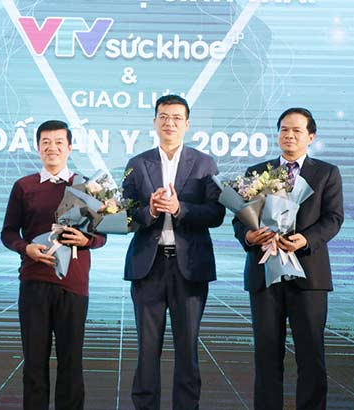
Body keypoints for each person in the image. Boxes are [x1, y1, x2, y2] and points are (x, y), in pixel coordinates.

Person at [232, 107, 344, 410]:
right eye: (284, 129)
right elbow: (239, 220)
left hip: (309, 275)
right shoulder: (257, 172)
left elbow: (333, 218)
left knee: (311, 355)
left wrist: (305, 240)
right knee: (267, 355)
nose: (289, 135)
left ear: (311, 136)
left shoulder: (326, 173)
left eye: (296, 130)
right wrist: (249, 236)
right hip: (264, 275)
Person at [123, 95, 225, 410]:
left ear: (187, 124)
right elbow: (125, 215)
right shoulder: (137, 164)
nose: (170, 123)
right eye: (164, 117)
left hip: (190, 268)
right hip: (148, 267)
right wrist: (150, 211)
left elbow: (216, 214)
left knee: (187, 348)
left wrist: (180, 208)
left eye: (177, 118)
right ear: (155, 122)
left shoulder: (204, 163)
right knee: (147, 350)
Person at [1, 120, 106, 410]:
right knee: (34, 364)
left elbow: (103, 235)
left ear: (70, 147)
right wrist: (26, 248)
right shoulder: (24, 186)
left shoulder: (87, 186)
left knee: (71, 364)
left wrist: (86, 241)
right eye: (46, 142)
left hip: (73, 284)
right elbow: (8, 232)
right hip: (34, 281)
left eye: (59, 142)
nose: (52, 148)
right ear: (37, 147)